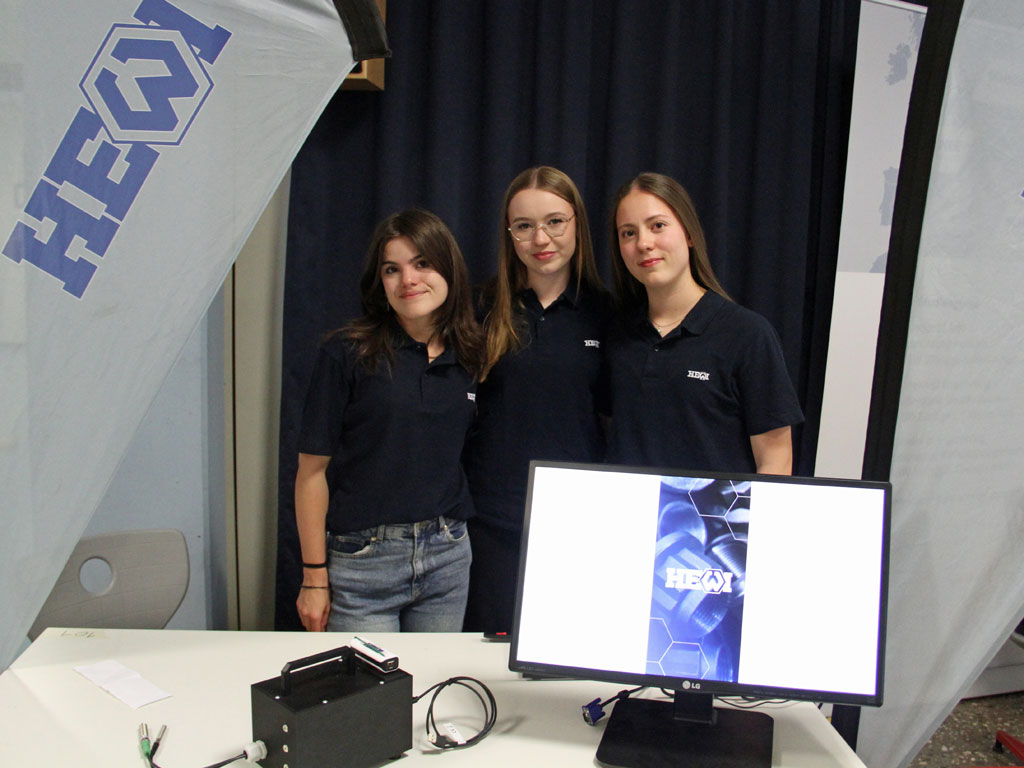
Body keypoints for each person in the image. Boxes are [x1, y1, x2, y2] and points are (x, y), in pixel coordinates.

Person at [294, 209, 485, 632]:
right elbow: (311, 473)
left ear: (448, 268)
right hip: (363, 565)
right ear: (380, 282)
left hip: (447, 557)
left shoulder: (472, 356)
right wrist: (314, 578)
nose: (408, 280)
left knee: (435, 675)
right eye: (392, 269)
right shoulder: (347, 354)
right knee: (370, 678)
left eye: (422, 263)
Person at [463, 166, 611, 633]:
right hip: (490, 522)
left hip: (577, 524)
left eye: (554, 222)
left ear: (577, 224)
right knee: (488, 658)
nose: (540, 239)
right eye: (524, 226)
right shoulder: (480, 308)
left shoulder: (610, 315)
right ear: (509, 235)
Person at [605, 172, 803, 474]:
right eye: (628, 233)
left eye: (658, 226)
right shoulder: (616, 333)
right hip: (629, 504)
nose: (643, 243)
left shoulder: (747, 334)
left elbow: (776, 459)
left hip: (711, 506)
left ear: (689, 234)